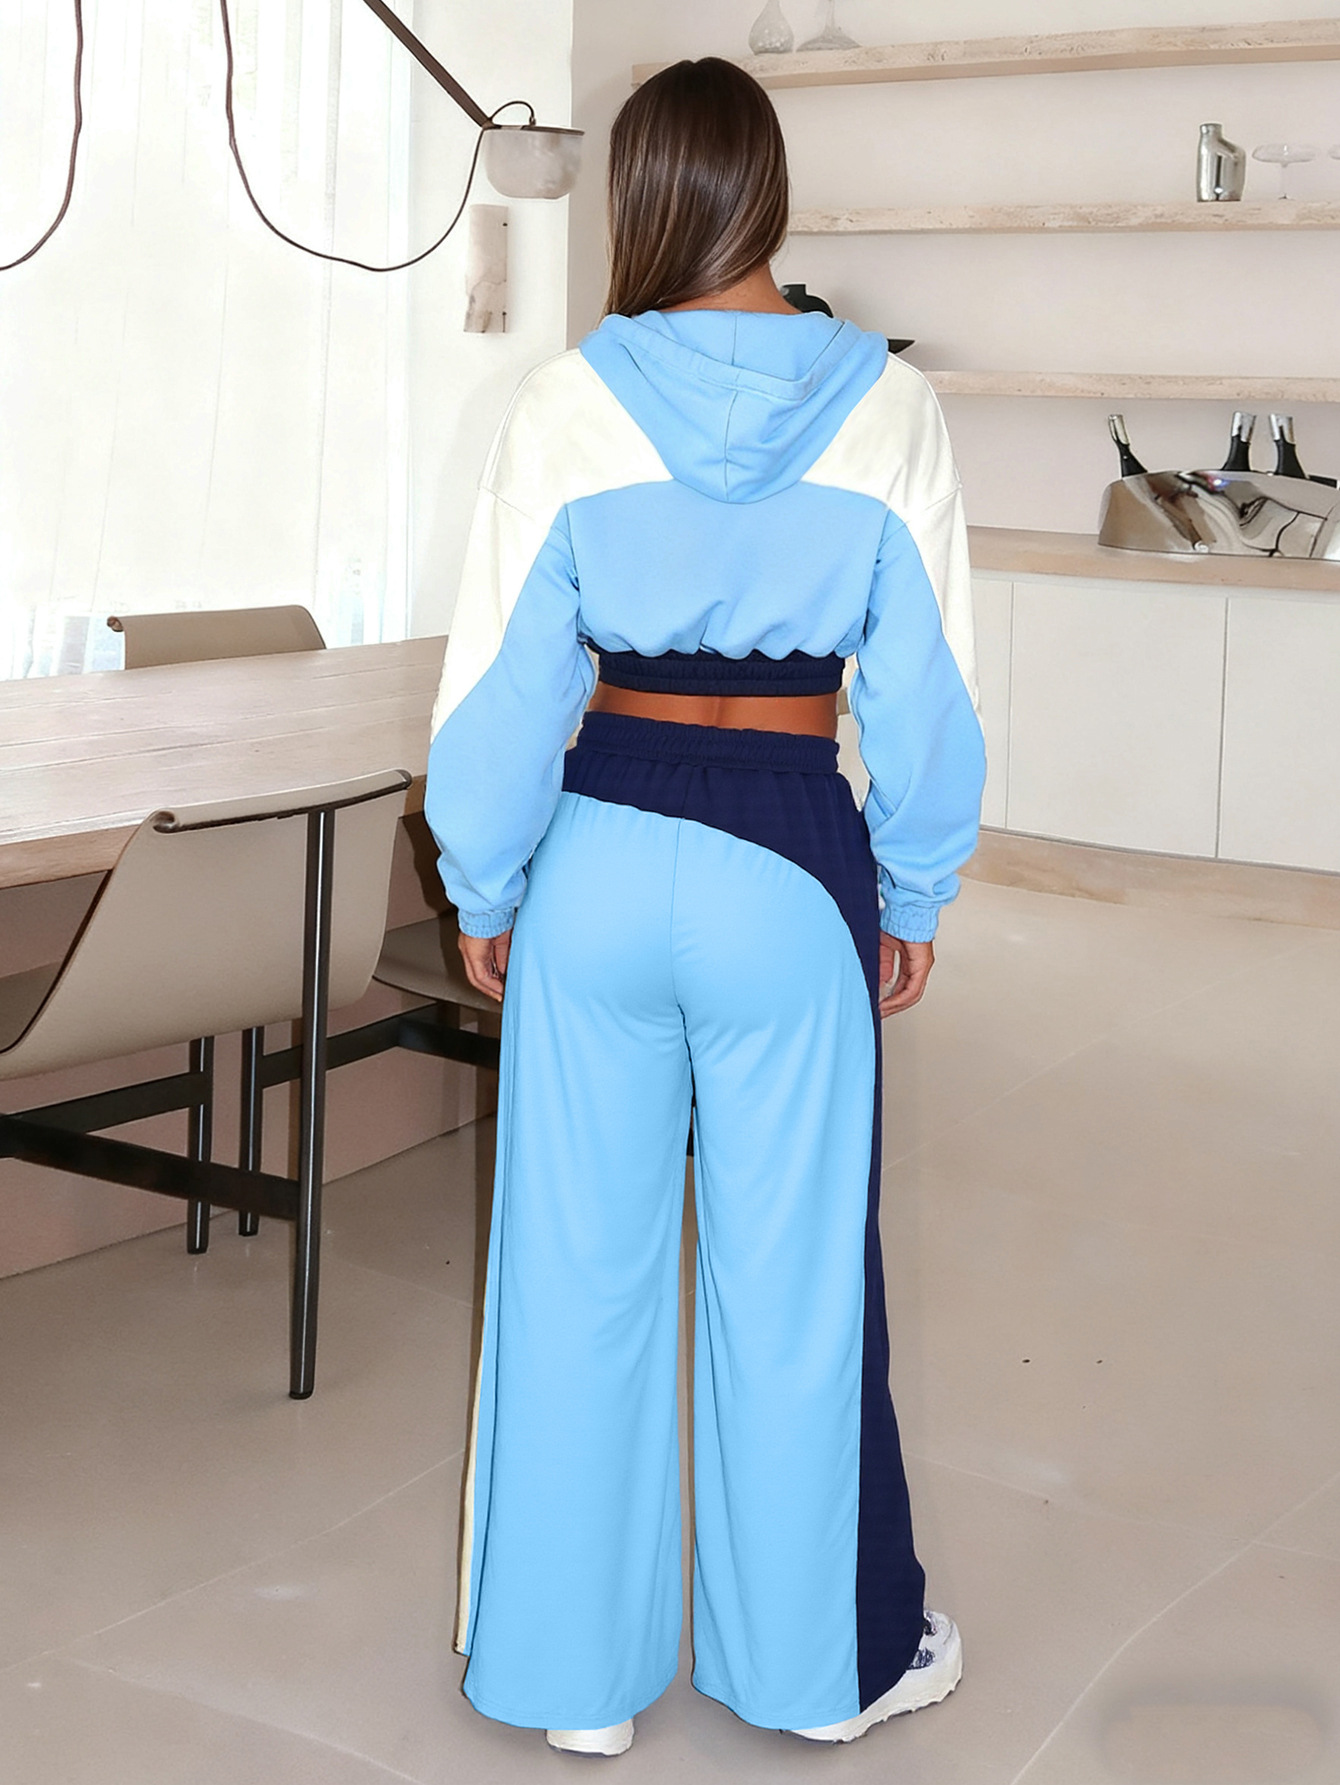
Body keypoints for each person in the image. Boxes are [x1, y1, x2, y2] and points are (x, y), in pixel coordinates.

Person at [424, 55, 985, 1758]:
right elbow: (933, 697)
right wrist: (915, 884)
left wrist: (485, 879)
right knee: (793, 1291)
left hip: (597, 852)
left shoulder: (563, 404)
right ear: (772, 191)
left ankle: (570, 1686)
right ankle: (820, 1675)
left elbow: (499, 692)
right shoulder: (890, 407)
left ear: (642, 196)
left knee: (573, 1279)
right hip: (792, 862)